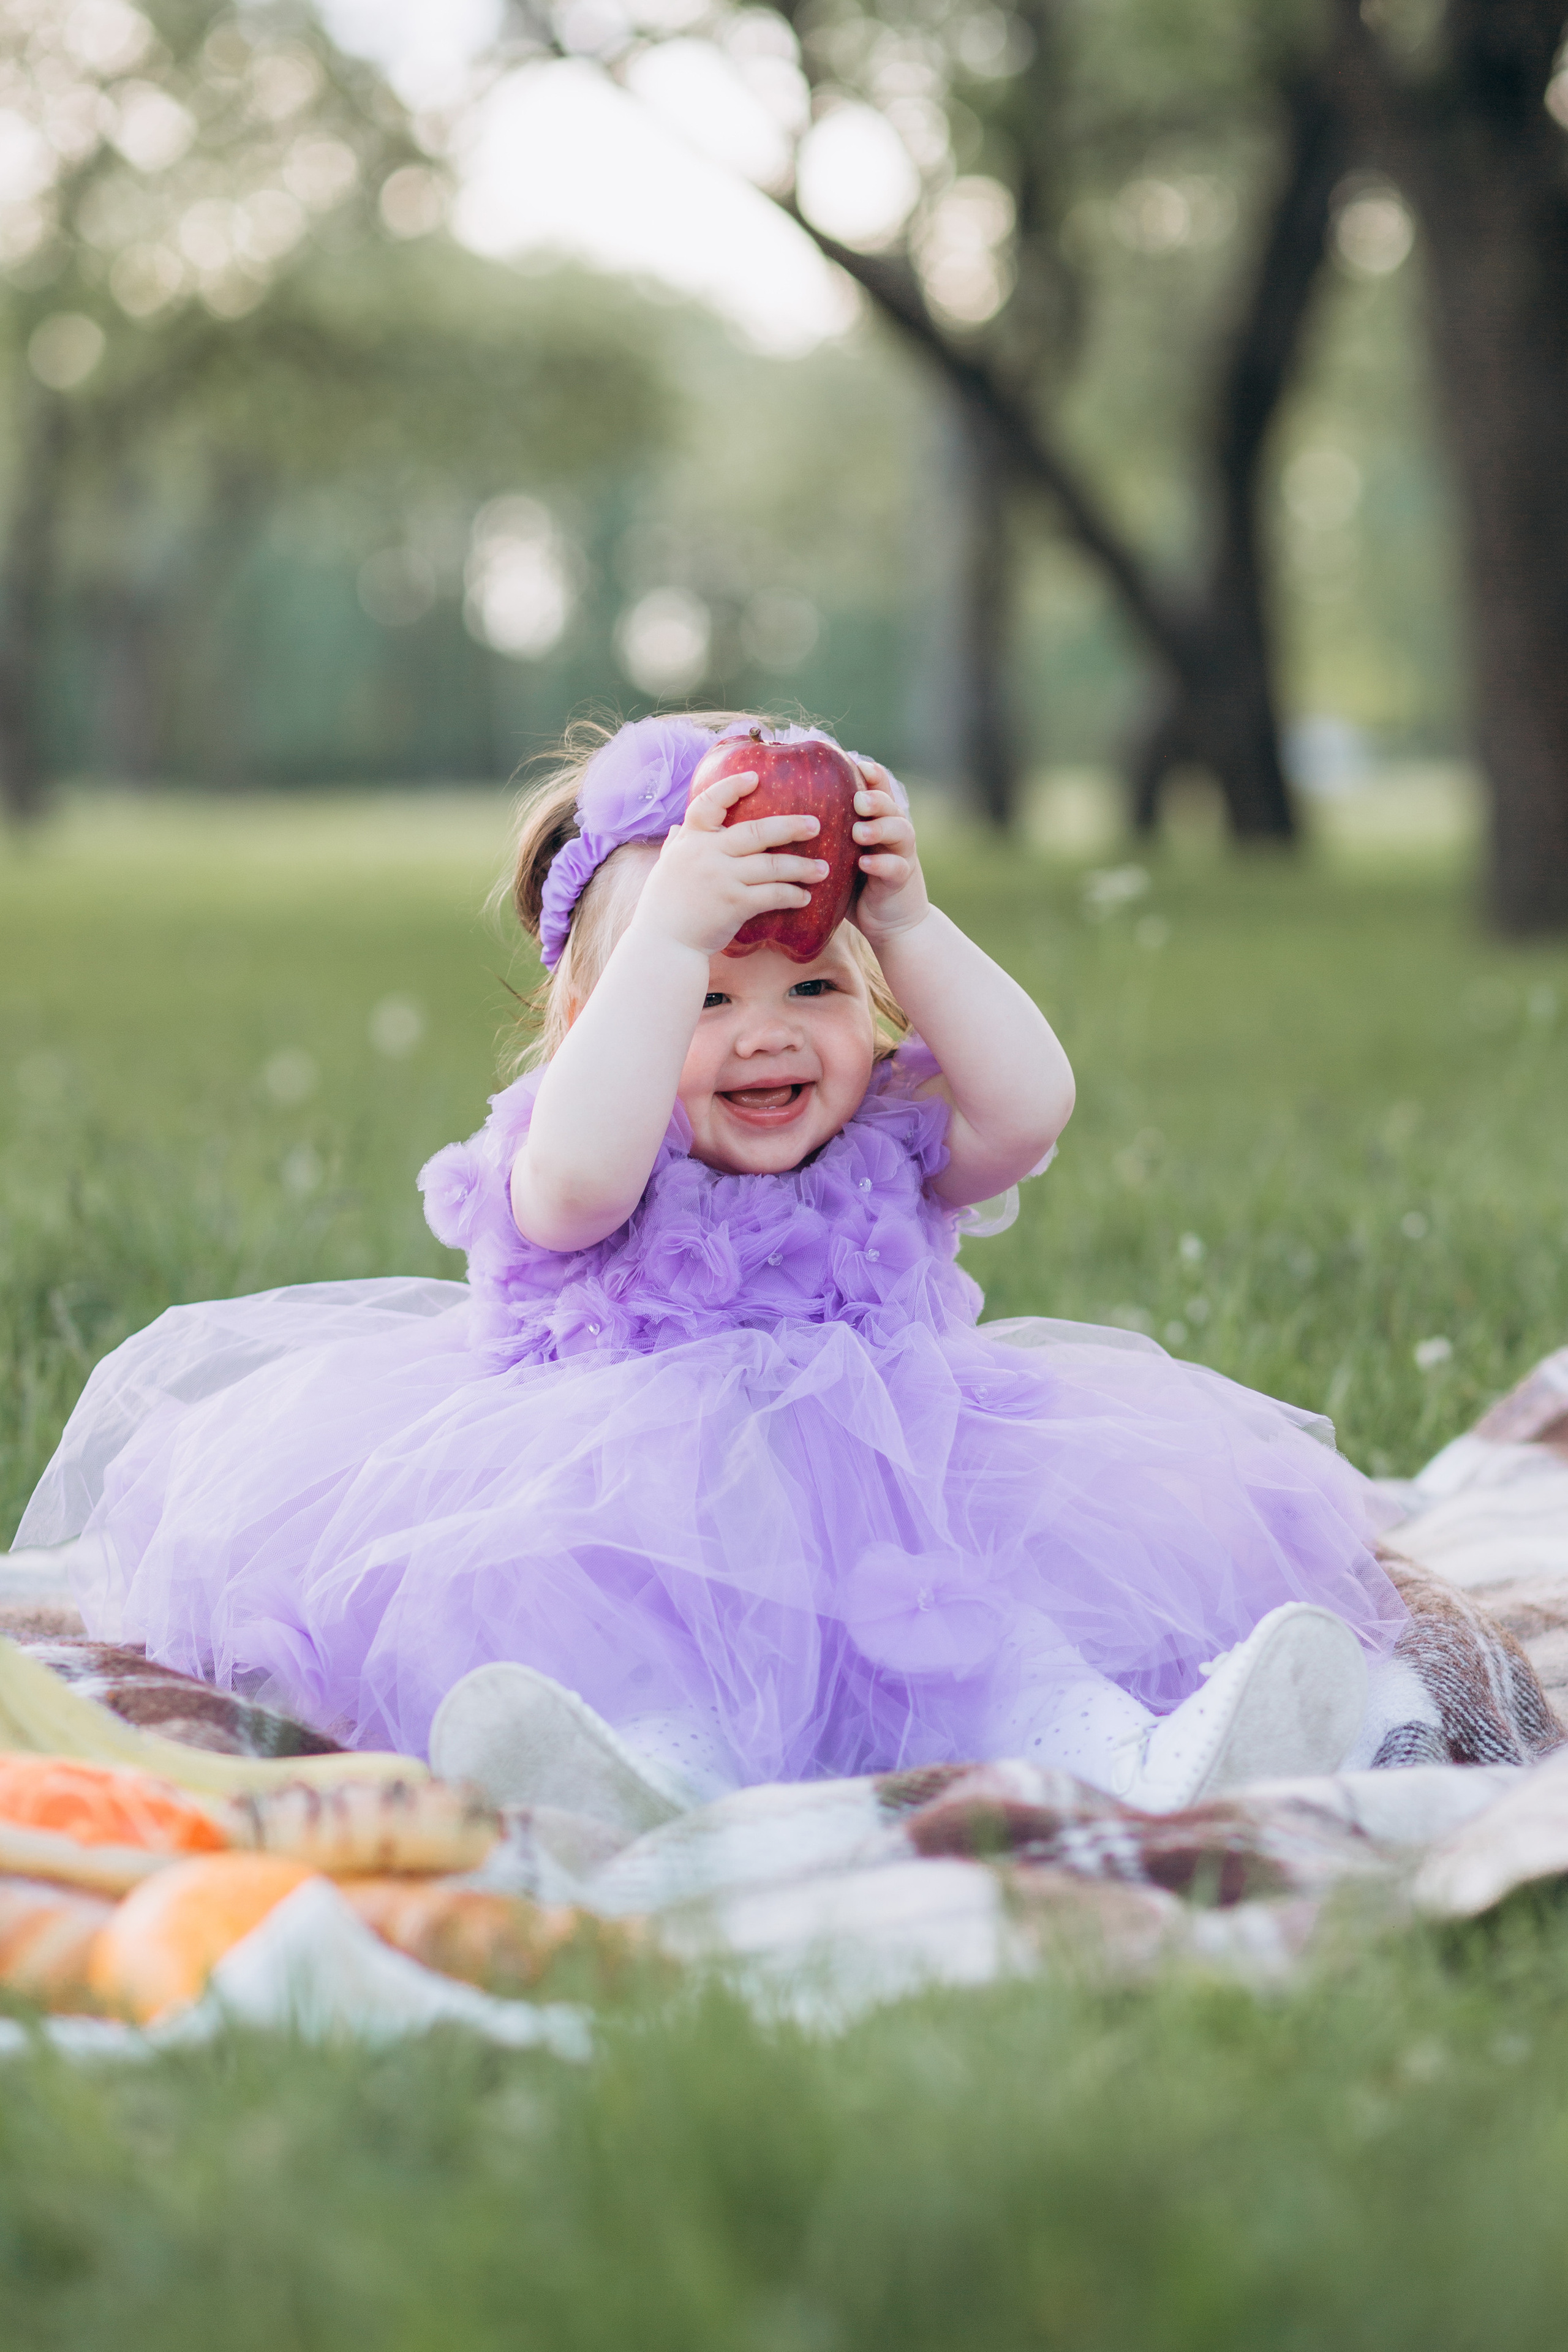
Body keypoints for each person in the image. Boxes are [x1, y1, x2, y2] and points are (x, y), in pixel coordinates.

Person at [17, 713, 1406, 1815]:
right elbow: (571, 1191)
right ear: (593, 1014)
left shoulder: (882, 1134)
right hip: (623, 1527)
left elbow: (1030, 1110)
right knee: (635, 1658)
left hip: (904, 1519)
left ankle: (1131, 1750)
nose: (767, 1036)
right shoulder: (581, 1140)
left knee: (1002, 1642)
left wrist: (911, 922)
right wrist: (667, 934)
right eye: (705, 997)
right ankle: (632, 1777)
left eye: (812, 988)